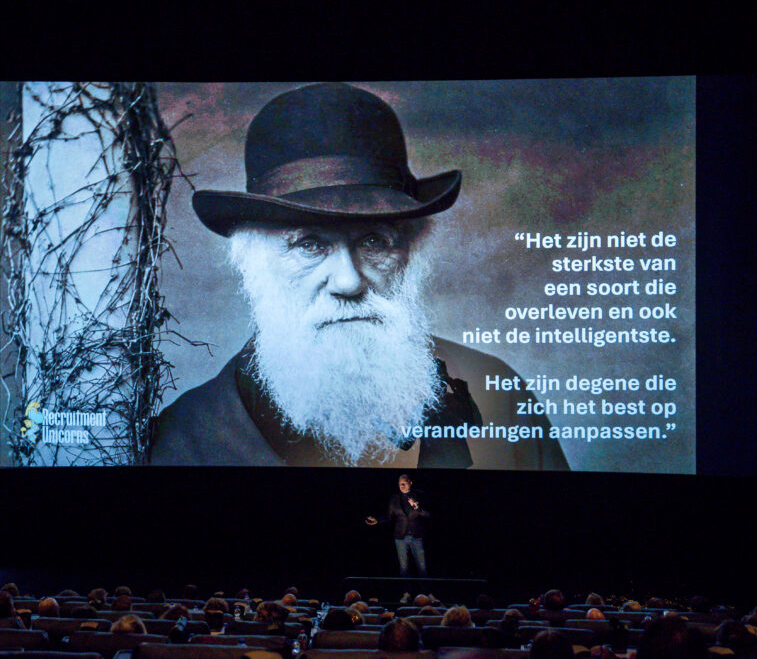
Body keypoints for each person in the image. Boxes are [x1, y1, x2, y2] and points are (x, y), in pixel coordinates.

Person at [150, 82, 569, 469]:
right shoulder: (185, 440)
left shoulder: (497, 394)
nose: (348, 282)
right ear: (254, 266)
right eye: (309, 245)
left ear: (410, 253)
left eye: (374, 242)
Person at [365, 474, 430, 576]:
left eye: (404, 483)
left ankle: (424, 586)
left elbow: (428, 514)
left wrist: (417, 508)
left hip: (417, 536)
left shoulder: (419, 495)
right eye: (400, 484)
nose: (402, 486)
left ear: (410, 483)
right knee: (404, 568)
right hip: (401, 538)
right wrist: (377, 520)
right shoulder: (394, 498)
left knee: (422, 567)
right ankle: (406, 587)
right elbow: (389, 517)